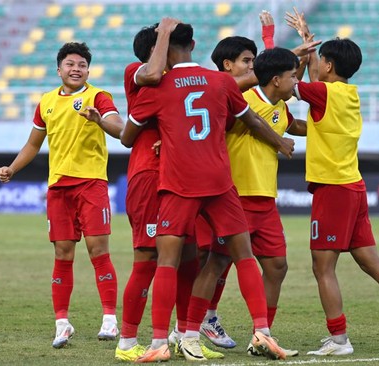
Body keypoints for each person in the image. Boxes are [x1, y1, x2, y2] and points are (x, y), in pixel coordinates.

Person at [122, 23, 293, 362]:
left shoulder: (155, 86)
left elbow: (127, 137)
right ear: (194, 45)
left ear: (163, 47)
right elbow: (252, 120)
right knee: (242, 255)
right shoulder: (221, 81)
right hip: (219, 182)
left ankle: (159, 343)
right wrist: (280, 142)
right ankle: (262, 331)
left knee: (168, 262)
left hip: (178, 183)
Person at [286, 10, 379, 356]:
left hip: (332, 188)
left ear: (329, 65)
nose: (317, 64)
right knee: (370, 259)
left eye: (320, 60)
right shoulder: (346, 93)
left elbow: (286, 83)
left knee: (322, 268)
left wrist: (296, 51)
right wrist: (310, 42)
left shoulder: (322, 94)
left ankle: (339, 340)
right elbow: (313, 81)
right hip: (353, 186)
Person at [0, 42, 123, 348]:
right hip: (58, 189)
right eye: (70, 64)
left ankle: (109, 319)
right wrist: (12, 168)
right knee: (62, 254)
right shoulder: (47, 102)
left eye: (81, 65)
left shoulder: (98, 97)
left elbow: (120, 128)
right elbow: (32, 144)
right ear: (59, 69)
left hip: (91, 184)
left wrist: (100, 120)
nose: (76, 69)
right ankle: (62, 324)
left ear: (88, 70)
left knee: (98, 251)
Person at [114, 19, 224, 362]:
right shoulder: (139, 72)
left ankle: (183, 335)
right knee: (148, 259)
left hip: (179, 180)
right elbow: (151, 74)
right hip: (149, 177)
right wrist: (163, 34)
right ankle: (127, 342)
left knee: (189, 260)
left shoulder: (178, 84)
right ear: (155, 52)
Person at [190, 47, 305, 359]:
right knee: (216, 263)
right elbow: (218, 126)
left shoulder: (282, 107)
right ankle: (191, 327)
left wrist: (334, 127)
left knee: (277, 265)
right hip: (235, 197)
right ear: (276, 79)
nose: (297, 82)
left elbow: (300, 126)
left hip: (265, 198)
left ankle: (261, 334)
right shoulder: (242, 100)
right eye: (293, 76)